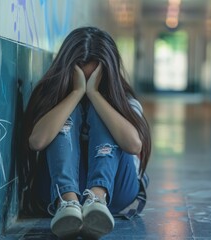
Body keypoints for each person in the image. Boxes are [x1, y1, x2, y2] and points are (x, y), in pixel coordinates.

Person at [22, 26, 151, 239]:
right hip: (57, 192)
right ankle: (68, 202)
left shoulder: (124, 102)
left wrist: (94, 95)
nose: (87, 85)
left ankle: (97, 200)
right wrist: (75, 93)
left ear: (106, 75)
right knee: (65, 114)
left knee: (105, 114)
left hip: (115, 192)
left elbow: (134, 145)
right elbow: (36, 142)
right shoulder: (52, 98)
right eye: (81, 78)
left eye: (94, 79)